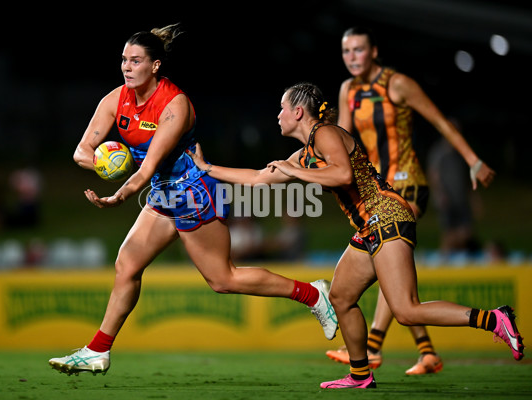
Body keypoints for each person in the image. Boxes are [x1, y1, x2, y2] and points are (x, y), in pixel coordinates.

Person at [188, 82, 524, 389]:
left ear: (298, 112)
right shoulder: (305, 152)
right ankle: (360, 375)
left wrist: (295, 172)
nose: (277, 115)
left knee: (406, 310)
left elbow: (343, 174)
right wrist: (208, 169)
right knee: (341, 297)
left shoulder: (325, 134)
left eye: (282, 108)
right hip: (369, 226)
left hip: (386, 216)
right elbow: (259, 177)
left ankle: (494, 319)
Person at [47, 24, 337, 376]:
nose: (126, 67)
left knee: (222, 279)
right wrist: (104, 163)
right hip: (163, 191)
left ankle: (313, 294)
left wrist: (119, 193)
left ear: (154, 66)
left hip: (193, 191)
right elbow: (81, 151)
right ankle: (98, 350)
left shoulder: (174, 105)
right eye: (124, 59)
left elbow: (148, 166)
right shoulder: (116, 99)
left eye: (135, 61)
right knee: (127, 264)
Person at [326, 26, 497, 375]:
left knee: (385, 254)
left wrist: (472, 161)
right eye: (347, 51)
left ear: (375, 51)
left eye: (359, 50)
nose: (353, 58)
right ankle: (426, 351)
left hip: (408, 185)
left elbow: (438, 121)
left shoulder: (398, 84)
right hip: (379, 190)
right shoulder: (348, 90)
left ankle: (372, 346)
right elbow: (340, 138)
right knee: (393, 273)